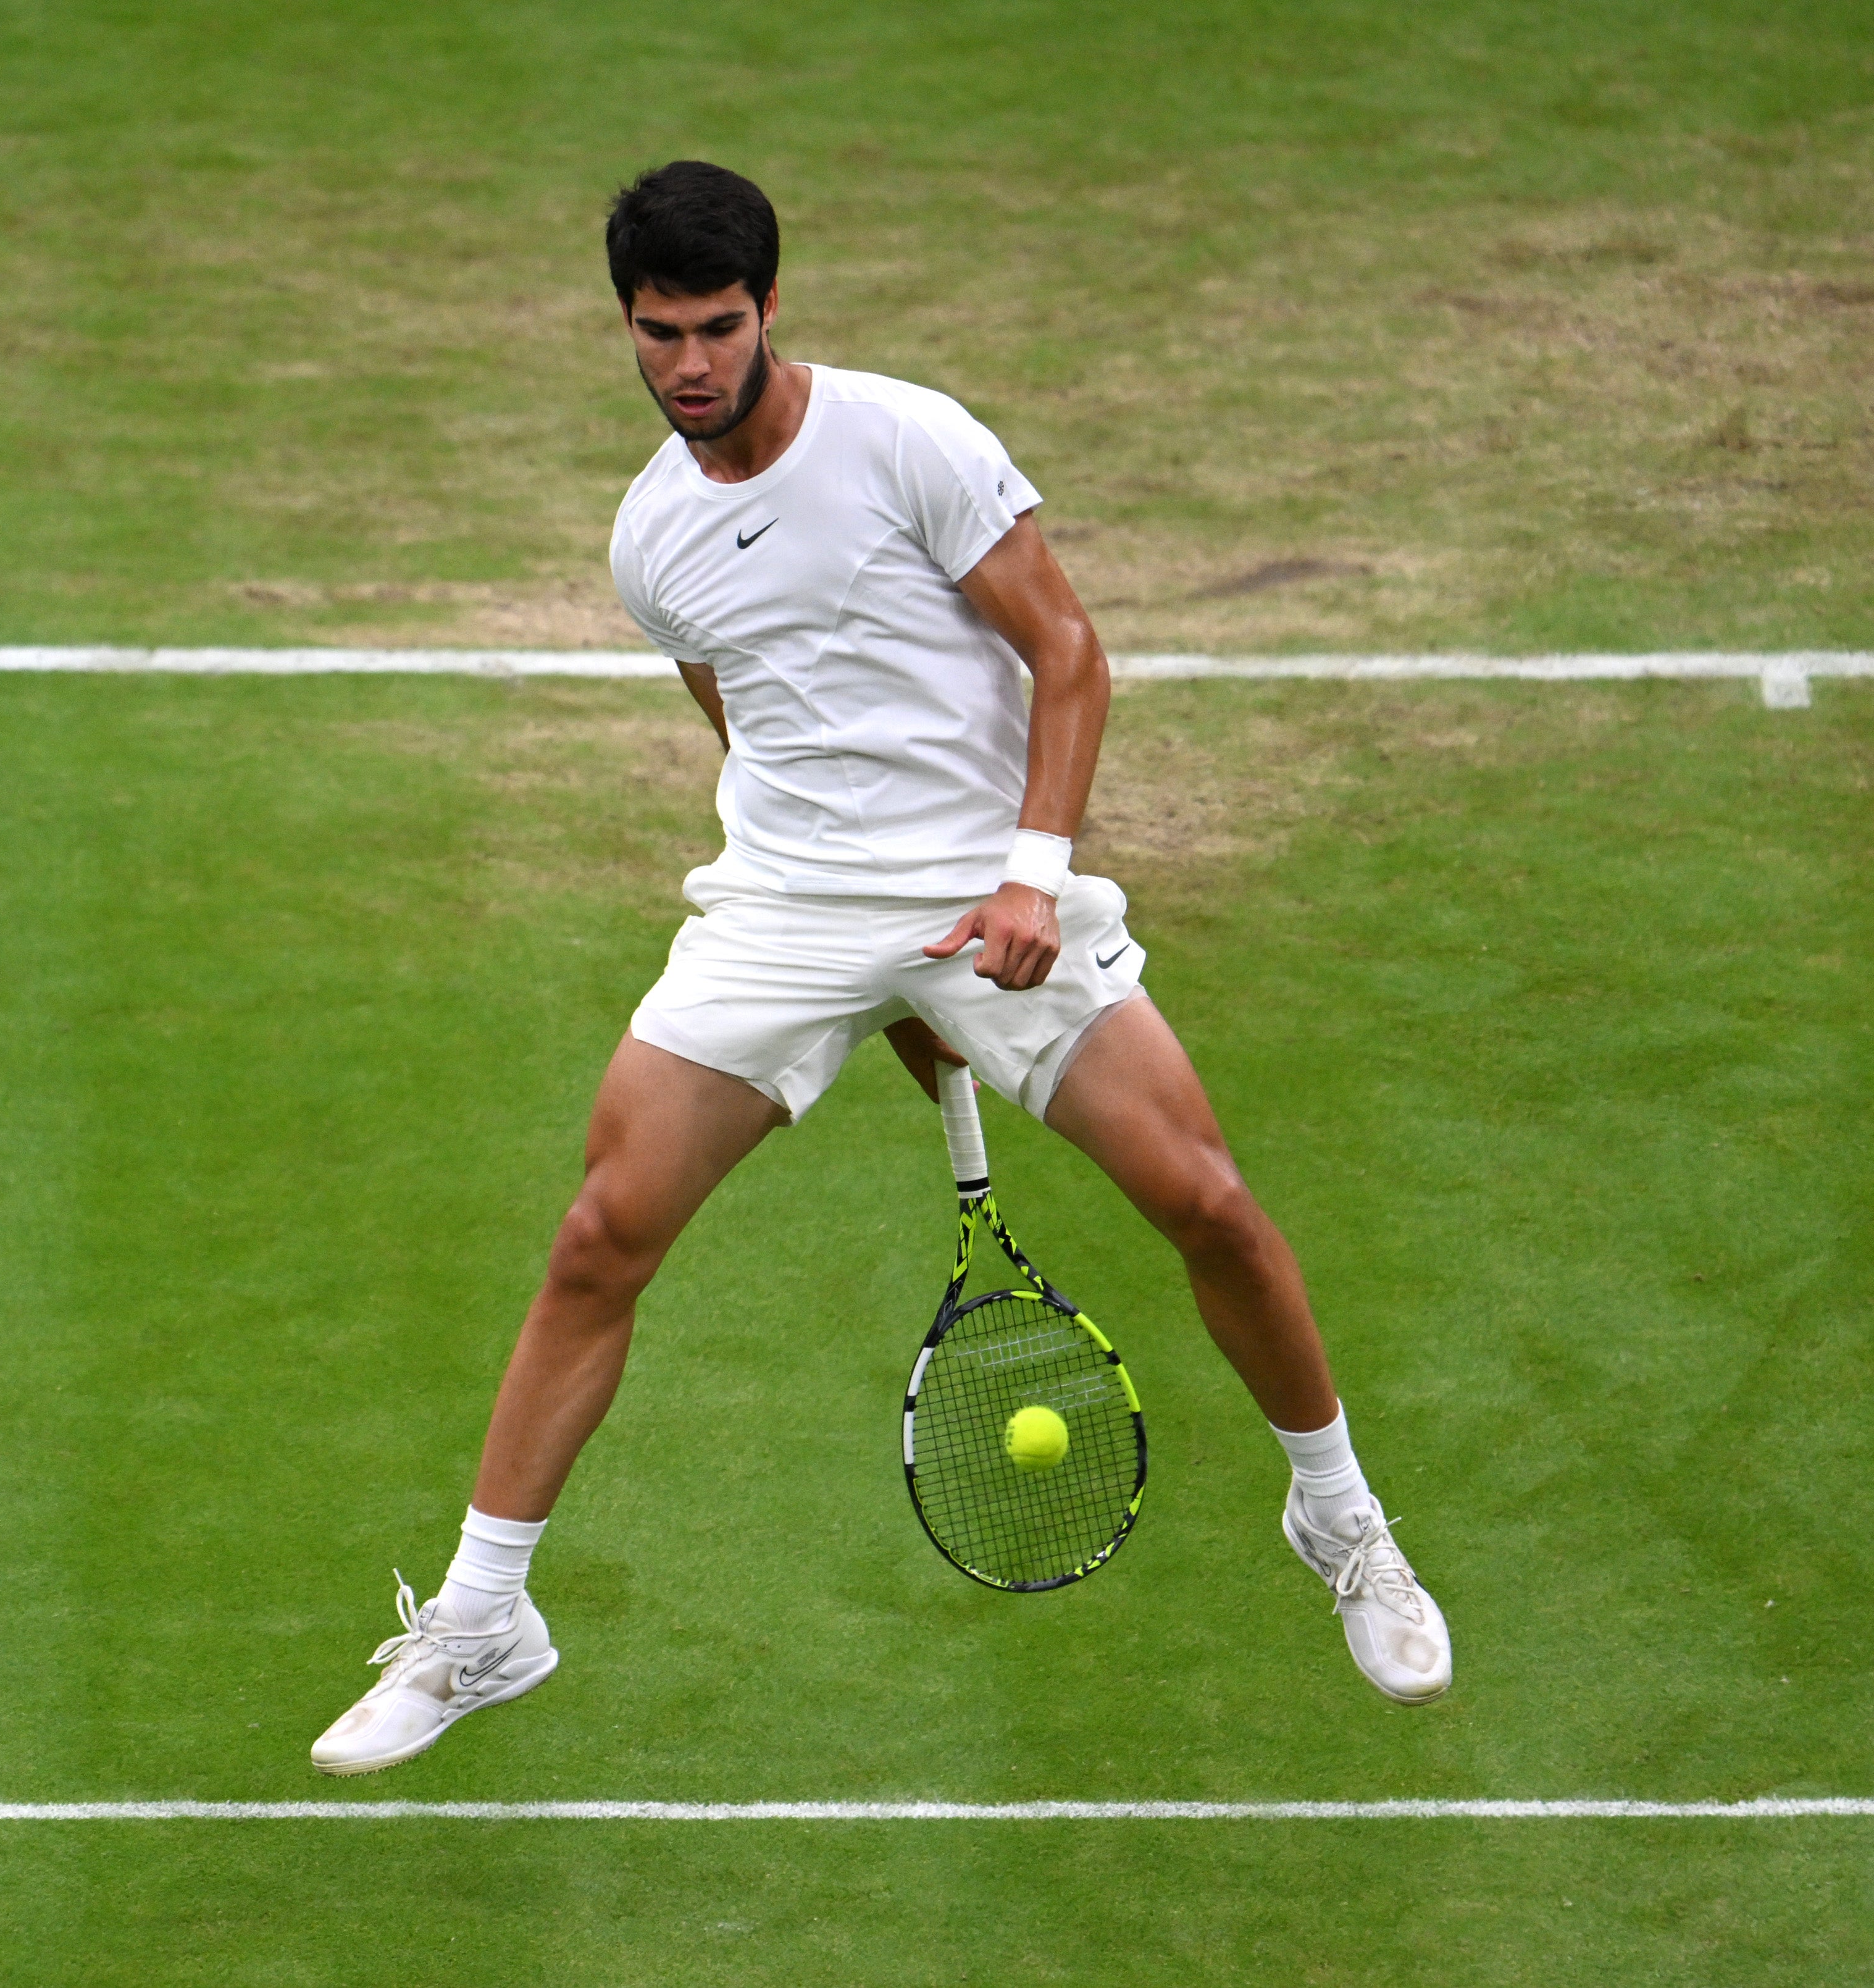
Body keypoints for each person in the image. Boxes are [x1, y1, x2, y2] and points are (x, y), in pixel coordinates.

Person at [312, 161, 1450, 1776]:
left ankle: (1342, 1521)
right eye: (659, 334)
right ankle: (487, 1624)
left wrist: (1025, 880)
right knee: (597, 1235)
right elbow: (752, 721)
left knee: (1200, 1196)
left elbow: (1066, 651)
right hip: (783, 908)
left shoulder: (911, 439)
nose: (691, 363)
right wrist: (865, 981)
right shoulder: (650, 540)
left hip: (986, 893)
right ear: (624, 329)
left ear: (768, 309)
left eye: (718, 327)